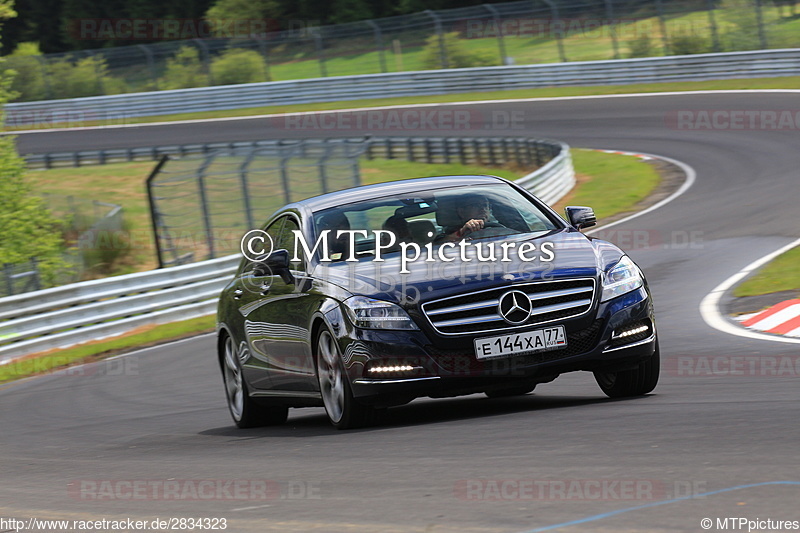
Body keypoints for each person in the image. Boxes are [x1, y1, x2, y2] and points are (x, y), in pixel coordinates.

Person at [438, 193, 514, 242]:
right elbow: (436, 246)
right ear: (461, 212)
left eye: (485, 205)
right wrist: (461, 232)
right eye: (476, 205)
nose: (482, 209)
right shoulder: (445, 236)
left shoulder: (500, 229)